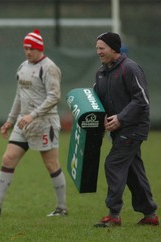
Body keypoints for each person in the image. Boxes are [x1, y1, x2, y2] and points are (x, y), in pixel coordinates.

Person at [0, 29, 68, 217]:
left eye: (31, 48)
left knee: (51, 164)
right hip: (23, 123)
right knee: (8, 159)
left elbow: (54, 97)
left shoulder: (49, 68)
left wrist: (32, 115)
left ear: (39, 48)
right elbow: (19, 96)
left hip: (44, 123)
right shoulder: (22, 67)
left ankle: (62, 207)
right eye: (25, 48)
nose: (28, 52)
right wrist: (9, 121)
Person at [93, 32, 158, 227]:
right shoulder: (101, 72)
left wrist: (121, 118)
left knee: (113, 164)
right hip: (118, 130)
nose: (98, 52)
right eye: (97, 48)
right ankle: (150, 214)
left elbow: (142, 100)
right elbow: (97, 99)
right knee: (132, 170)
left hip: (133, 127)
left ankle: (114, 214)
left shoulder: (130, 69)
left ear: (114, 48)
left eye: (101, 48)